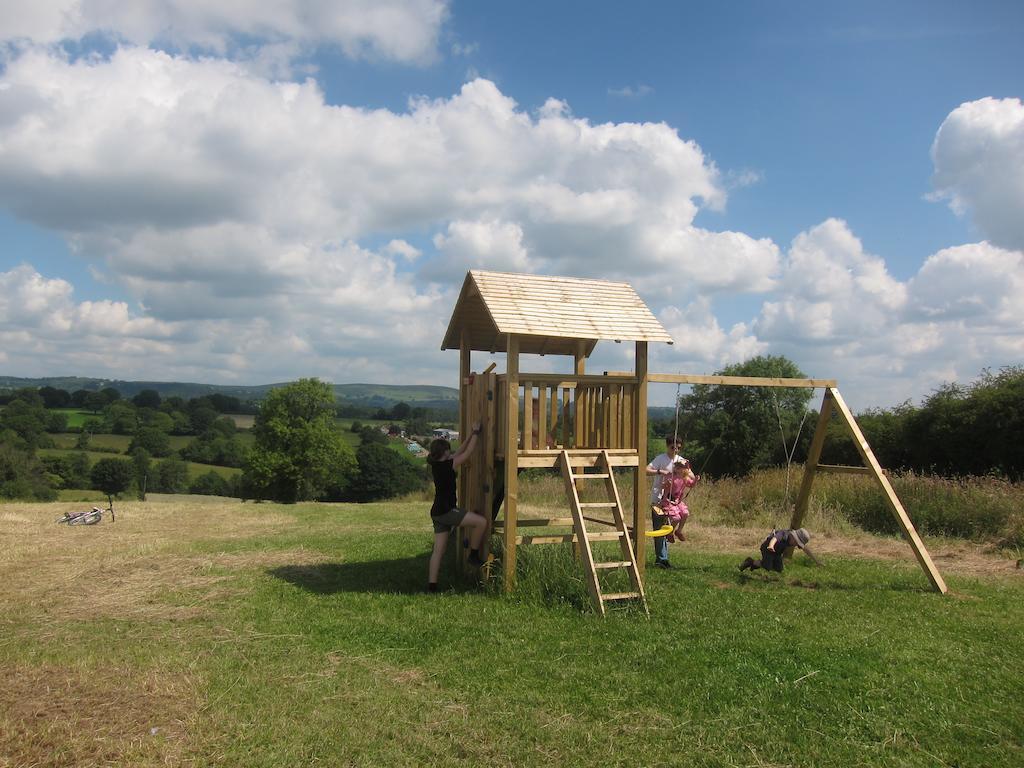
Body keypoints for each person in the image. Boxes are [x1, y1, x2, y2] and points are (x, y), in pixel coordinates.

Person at [426, 421, 489, 592]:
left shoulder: (437, 464)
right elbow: (467, 453)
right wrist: (476, 434)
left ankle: (432, 586)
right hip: (447, 511)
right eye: (449, 450)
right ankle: (473, 555)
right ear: (445, 452)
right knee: (481, 522)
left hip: (437, 512)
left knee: (438, 551)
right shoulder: (449, 464)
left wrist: (471, 433)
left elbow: (460, 451)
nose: (451, 451)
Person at [646, 435, 686, 568]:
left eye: (679, 448)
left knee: (670, 525)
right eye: (673, 447)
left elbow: (689, 474)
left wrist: (691, 478)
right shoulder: (660, 458)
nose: (676, 450)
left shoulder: (681, 460)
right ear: (667, 446)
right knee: (659, 528)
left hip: (673, 501)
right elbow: (646, 470)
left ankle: (663, 558)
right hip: (658, 499)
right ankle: (661, 559)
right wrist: (659, 471)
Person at [739, 528, 821, 573]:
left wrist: (816, 561)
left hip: (777, 553)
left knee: (779, 569)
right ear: (793, 536)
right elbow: (775, 539)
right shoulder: (783, 534)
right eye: (796, 542)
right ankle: (750, 561)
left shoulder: (793, 541)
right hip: (768, 549)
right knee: (767, 566)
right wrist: (771, 546)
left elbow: (806, 550)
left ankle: (756, 564)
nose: (796, 545)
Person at [659, 460, 698, 542]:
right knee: (676, 518)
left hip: (678, 501)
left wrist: (695, 480)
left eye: (680, 467)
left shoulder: (685, 478)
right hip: (668, 501)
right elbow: (662, 486)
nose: (678, 468)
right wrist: (666, 484)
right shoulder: (671, 476)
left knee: (685, 513)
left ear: (685, 469)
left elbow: (691, 485)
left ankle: (679, 531)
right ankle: (670, 532)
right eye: (676, 466)